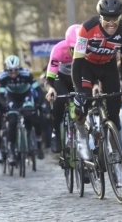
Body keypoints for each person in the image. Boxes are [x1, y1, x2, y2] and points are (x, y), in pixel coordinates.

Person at [71, 0, 122, 165]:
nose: (111, 23)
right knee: (83, 101)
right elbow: (76, 63)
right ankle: (81, 135)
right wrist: (78, 90)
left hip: (109, 68)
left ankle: (117, 158)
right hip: (87, 67)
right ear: (100, 17)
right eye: (107, 19)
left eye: (115, 19)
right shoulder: (87, 28)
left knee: (114, 115)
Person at [0, 55, 44, 165]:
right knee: (12, 121)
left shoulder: (26, 74)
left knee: (29, 114)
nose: (13, 72)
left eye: (15, 70)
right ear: (6, 69)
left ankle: (32, 139)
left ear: (19, 68)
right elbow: (0, 95)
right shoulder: (3, 76)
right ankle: (12, 151)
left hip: (25, 95)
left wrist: (37, 104)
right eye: (10, 70)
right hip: (12, 97)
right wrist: (4, 106)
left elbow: (39, 90)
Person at [45, 24, 80, 153]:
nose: (76, 52)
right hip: (61, 78)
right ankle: (56, 132)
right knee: (59, 99)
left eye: (80, 47)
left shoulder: (90, 48)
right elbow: (49, 79)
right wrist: (50, 89)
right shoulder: (59, 49)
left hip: (78, 77)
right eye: (73, 48)